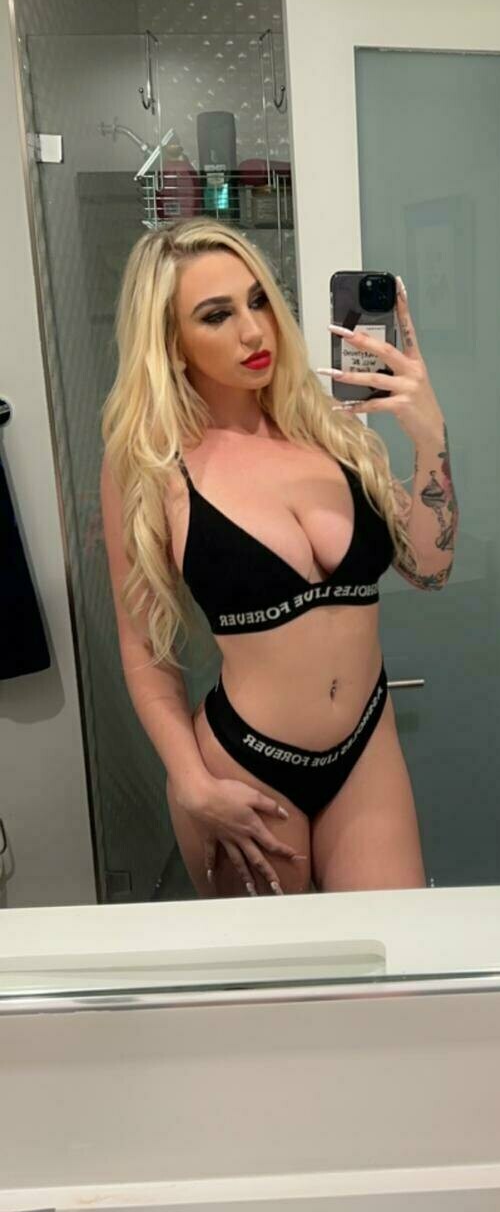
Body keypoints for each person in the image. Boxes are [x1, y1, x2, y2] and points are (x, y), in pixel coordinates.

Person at [100, 218, 457, 898]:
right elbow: (143, 650)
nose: (253, 331)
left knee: (395, 952)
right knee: (278, 967)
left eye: (259, 300)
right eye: (217, 315)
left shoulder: (328, 433)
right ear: (171, 341)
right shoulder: (150, 465)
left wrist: (430, 436)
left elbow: (430, 569)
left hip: (367, 747)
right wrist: (191, 781)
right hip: (245, 765)